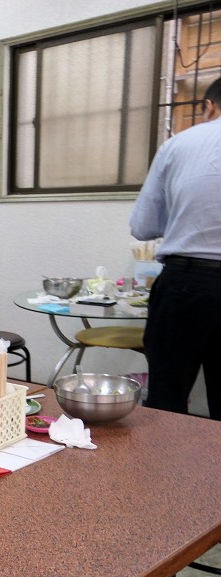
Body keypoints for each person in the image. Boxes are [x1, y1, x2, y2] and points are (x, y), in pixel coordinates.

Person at [129, 77, 221, 420]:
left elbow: (143, 227)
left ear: (209, 106)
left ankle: (161, 472)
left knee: (167, 400)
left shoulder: (179, 144)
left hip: (187, 284)